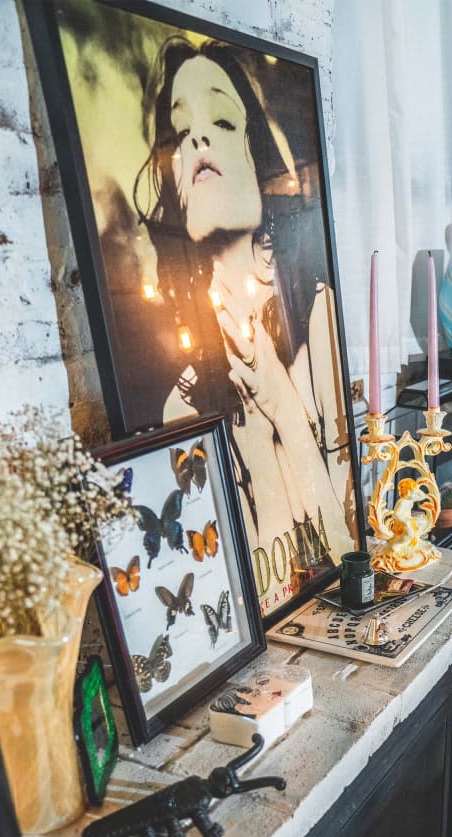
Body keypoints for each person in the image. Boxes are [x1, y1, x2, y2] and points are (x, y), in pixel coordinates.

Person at [134, 37, 356, 612]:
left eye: (223, 121)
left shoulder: (319, 315)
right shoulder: (181, 407)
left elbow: (345, 554)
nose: (199, 139)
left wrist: (282, 406)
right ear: (175, 187)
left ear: (259, 161)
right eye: (181, 135)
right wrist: (262, 451)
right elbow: (260, 596)